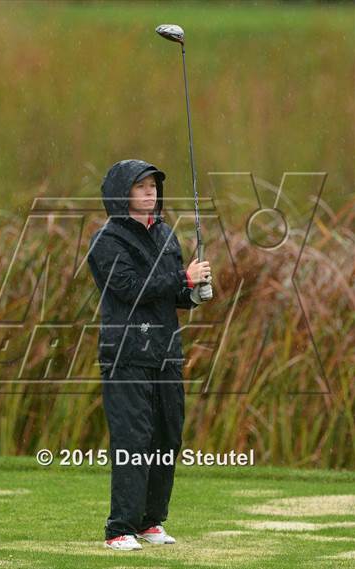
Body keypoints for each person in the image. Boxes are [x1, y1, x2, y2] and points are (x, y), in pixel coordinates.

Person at [87, 159, 213, 551]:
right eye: (140, 186)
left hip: (165, 354)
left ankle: (150, 521)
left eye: (153, 185)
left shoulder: (165, 235)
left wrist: (191, 293)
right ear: (121, 194)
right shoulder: (106, 241)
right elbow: (131, 288)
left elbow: (169, 294)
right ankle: (119, 529)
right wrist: (181, 278)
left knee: (166, 436)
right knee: (133, 439)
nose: (149, 192)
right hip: (125, 355)